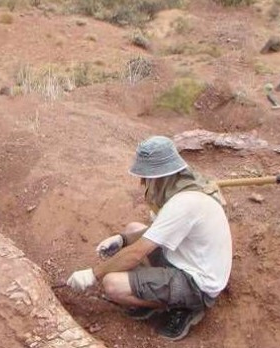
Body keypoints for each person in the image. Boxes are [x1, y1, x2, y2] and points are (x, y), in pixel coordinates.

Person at [65, 136, 232, 341]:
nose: (143, 181)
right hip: (187, 259)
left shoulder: (184, 203)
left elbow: (137, 254)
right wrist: (122, 239)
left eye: (146, 176)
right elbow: (151, 233)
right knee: (133, 229)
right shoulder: (183, 188)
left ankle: (183, 307)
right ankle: (150, 292)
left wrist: (93, 274)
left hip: (198, 283)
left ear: (160, 176)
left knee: (112, 284)